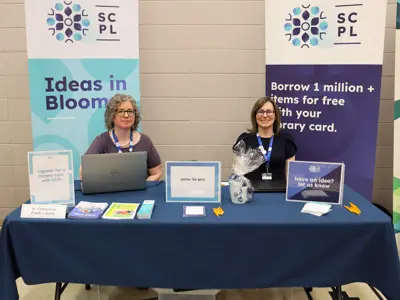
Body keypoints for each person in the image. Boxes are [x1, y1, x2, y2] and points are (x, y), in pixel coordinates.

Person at [80, 93, 162, 181]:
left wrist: (144, 186)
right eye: (121, 111)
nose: (126, 115)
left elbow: (157, 173)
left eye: (130, 111)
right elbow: (83, 173)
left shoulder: (145, 141)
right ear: (112, 116)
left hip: (139, 194)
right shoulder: (102, 141)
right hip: (110, 193)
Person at [233, 96, 297, 181]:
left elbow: (290, 178)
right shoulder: (244, 141)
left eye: (269, 112)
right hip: (251, 193)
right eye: (260, 112)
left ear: (275, 115)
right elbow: (238, 174)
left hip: (279, 193)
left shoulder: (286, 140)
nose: (265, 115)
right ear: (255, 115)